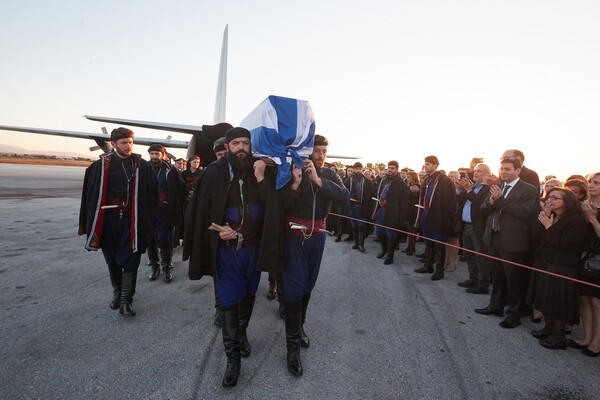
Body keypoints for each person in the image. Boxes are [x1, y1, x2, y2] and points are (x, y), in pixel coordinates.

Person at [184, 127, 281, 387]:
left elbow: (274, 208)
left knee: (249, 295)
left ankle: (242, 334)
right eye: (236, 143)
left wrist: (261, 178)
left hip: (253, 249)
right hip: (227, 252)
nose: (241, 147)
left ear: (251, 145)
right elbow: (201, 212)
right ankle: (232, 359)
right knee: (228, 300)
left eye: (245, 143)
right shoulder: (214, 172)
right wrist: (216, 231)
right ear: (227, 146)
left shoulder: (260, 170)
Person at [279, 134, 350, 376]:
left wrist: (318, 181)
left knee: (308, 286)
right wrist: (296, 184)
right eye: (317, 151)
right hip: (293, 237)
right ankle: (292, 349)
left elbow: (345, 197)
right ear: (308, 151)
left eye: (324, 152)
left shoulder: (329, 173)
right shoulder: (292, 169)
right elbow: (280, 205)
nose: (321, 156)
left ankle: (300, 329)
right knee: (294, 287)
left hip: (317, 237)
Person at [78, 127, 157, 316]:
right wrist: (85, 221)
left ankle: (126, 300)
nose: (128, 146)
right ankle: (116, 292)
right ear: (113, 144)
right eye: (123, 143)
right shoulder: (99, 166)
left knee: (131, 258)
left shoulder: (142, 166)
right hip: (108, 220)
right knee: (112, 259)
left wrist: (149, 221)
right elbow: (87, 197)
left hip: (133, 221)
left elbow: (153, 195)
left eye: (130, 142)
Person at [475, 156, 538, 329]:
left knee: (514, 279)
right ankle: (495, 306)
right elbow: (483, 209)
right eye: (502, 169)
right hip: (493, 237)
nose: (503, 172)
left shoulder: (529, 189)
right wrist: (491, 201)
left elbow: (524, 212)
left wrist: (500, 200)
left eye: (508, 169)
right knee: (497, 276)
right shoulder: (497, 187)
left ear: (518, 170)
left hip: (513, 241)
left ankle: (514, 314)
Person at [530, 188, 587, 349]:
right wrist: (545, 222)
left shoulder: (576, 220)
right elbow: (536, 238)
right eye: (549, 197)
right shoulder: (552, 216)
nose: (550, 200)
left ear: (567, 201)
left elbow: (563, 244)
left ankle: (558, 336)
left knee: (558, 302)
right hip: (546, 262)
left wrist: (549, 226)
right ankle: (548, 328)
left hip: (563, 266)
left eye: (555, 198)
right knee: (545, 297)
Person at [570, 172, 600, 356]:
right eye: (590, 182)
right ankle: (587, 337)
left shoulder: (589, 211)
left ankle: (597, 342)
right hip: (583, 257)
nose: (591, 185)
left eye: (596, 183)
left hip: (598, 259)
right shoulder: (584, 205)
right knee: (584, 299)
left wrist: (592, 218)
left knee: (597, 302)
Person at [146, 144, 185, 283]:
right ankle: (155, 267)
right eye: (152, 154)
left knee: (163, 239)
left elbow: (181, 189)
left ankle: (166, 268)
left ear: (163, 155)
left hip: (165, 211)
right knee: (149, 240)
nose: (154, 156)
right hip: (148, 211)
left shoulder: (172, 171)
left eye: (157, 153)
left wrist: (174, 205)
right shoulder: (143, 168)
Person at [414, 156, 456, 280]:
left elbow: (451, 202)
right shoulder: (427, 179)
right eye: (425, 164)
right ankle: (428, 265)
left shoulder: (444, 180)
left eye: (428, 164)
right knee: (428, 242)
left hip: (439, 217)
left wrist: (446, 219)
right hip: (426, 215)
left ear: (435, 165)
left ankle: (439, 270)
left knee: (439, 244)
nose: (425, 166)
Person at [456, 163, 492, 294]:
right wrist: (460, 189)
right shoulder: (473, 187)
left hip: (478, 227)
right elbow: (459, 200)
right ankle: (473, 278)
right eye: (475, 171)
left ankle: (483, 284)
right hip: (466, 225)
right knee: (468, 253)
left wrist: (468, 190)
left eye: (480, 171)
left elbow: (479, 205)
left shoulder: (488, 188)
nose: (476, 173)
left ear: (487, 174)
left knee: (481, 256)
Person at [374, 160, 409, 265]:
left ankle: (390, 256)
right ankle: (384, 250)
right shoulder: (384, 180)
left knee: (391, 235)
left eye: (392, 168)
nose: (390, 169)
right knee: (379, 232)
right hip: (381, 210)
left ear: (397, 169)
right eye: (389, 167)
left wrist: (401, 219)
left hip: (393, 213)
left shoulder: (401, 184)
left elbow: (404, 203)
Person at [346, 162, 375, 252]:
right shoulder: (348, 181)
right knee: (354, 226)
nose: (358, 170)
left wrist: (370, 210)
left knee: (362, 226)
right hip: (352, 207)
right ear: (354, 169)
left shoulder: (368, 182)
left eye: (359, 168)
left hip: (362, 207)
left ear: (362, 169)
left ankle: (361, 245)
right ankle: (356, 242)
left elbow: (372, 197)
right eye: (356, 169)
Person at [401, 170, 420, 255]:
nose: (407, 179)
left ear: (413, 178)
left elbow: (416, 194)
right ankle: (409, 247)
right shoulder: (409, 186)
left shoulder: (415, 186)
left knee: (412, 230)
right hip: (409, 209)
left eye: (408, 177)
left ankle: (412, 248)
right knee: (409, 230)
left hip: (413, 210)